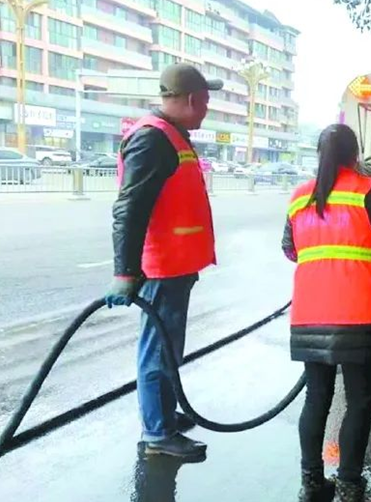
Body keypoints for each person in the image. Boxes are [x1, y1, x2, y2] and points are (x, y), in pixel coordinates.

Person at [282, 124, 371, 502]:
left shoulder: (298, 197)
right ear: (355, 155)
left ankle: (311, 482)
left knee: (317, 398)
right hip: (360, 314)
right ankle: (350, 483)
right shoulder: (369, 191)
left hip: (309, 313)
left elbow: (290, 249)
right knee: (360, 401)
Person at [105, 63, 222, 459]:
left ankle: (164, 417)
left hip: (177, 268)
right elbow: (129, 208)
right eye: (205, 102)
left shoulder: (172, 136)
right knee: (158, 350)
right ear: (190, 100)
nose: (207, 109)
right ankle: (157, 434)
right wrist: (124, 271)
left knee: (169, 348)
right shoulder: (153, 140)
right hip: (161, 269)